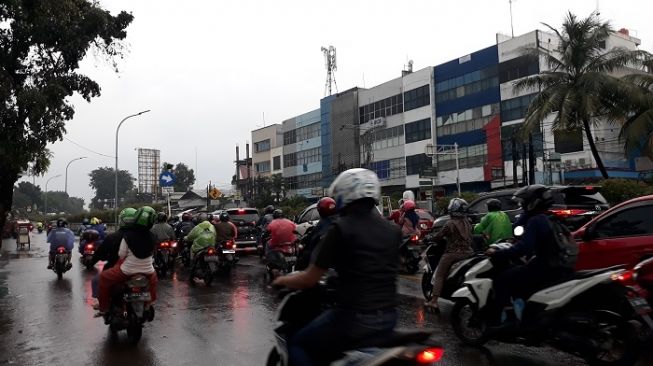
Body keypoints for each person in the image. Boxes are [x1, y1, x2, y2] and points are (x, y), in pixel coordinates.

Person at [272, 168, 400, 366]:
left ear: (343, 194)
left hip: (352, 319)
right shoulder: (393, 230)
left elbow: (309, 278)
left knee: (298, 344)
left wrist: (281, 280)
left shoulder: (341, 228)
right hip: (388, 317)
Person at [485, 185, 575, 326]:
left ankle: (510, 319)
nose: (522, 205)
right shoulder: (553, 217)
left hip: (545, 266)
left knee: (503, 279)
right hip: (562, 265)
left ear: (533, 202)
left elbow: (524, 248)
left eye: (524, 202)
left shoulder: (536, 221)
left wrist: (498, 253)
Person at [97, 206, 158, 316]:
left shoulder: (127, 236)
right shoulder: (153, 236)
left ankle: (104, 307)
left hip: (127, 271)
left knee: (103, 277)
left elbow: (121, 255)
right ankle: (150, 303)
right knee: (153, 282)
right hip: (148, 271)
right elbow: (153, 253)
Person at [424, 198, 474, 311]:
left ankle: (434, 301)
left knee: (440, 275)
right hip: (469, 253)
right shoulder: (468, 222)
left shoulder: (450, 224)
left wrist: (428, 238)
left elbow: (438, 236)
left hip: (453, 254)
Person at [89, 207, 136, 308]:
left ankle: (103, 305)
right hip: (140, 270)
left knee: (97, 280)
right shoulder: (143, 236)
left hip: (116, 269)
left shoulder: (112, 237)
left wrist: (91, 263)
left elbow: (99, 253)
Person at [296, 197, 337, 271]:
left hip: (321, 258)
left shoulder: (322, 223)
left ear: (319, 210)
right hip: (336, 260)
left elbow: (312, 237)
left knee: (305, 256)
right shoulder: (339, 220)